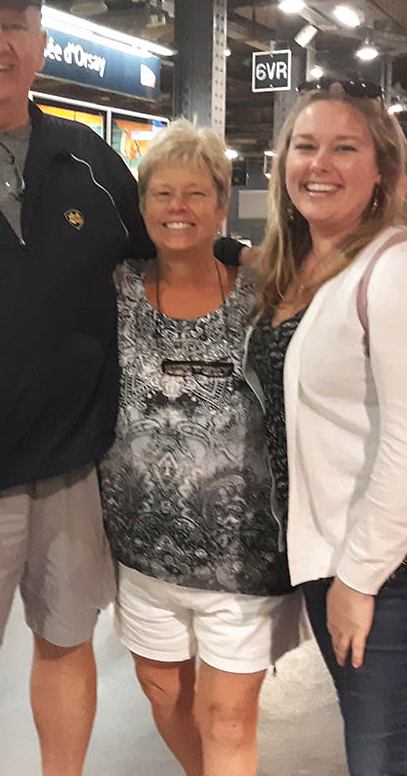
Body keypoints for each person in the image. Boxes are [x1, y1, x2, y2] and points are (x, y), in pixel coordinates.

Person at [0, 0, 247, 776]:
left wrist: (252, 264)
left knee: (66, 645)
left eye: (15, 27)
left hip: (79, 470)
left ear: (41, 46)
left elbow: (167, 243)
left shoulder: (88, 160)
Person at [245, 84, 407, 775]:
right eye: (305, 146)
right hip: (344, 552)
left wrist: (358, 582)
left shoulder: (404, 267)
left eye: (344, 147)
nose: (319, 163)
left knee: (385, 759)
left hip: (406, 558)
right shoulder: (301, 264)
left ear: (383, 169)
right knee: (384, 743)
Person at [97, 120, 302, 776]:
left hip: (242, 559)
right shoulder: (114, 289)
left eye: (194, 194)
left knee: (229, 717)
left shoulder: (263, 294)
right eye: (161, 194)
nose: (177, 208)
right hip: (141, 555)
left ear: (221, 203)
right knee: (165, 699)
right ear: (142, 205)